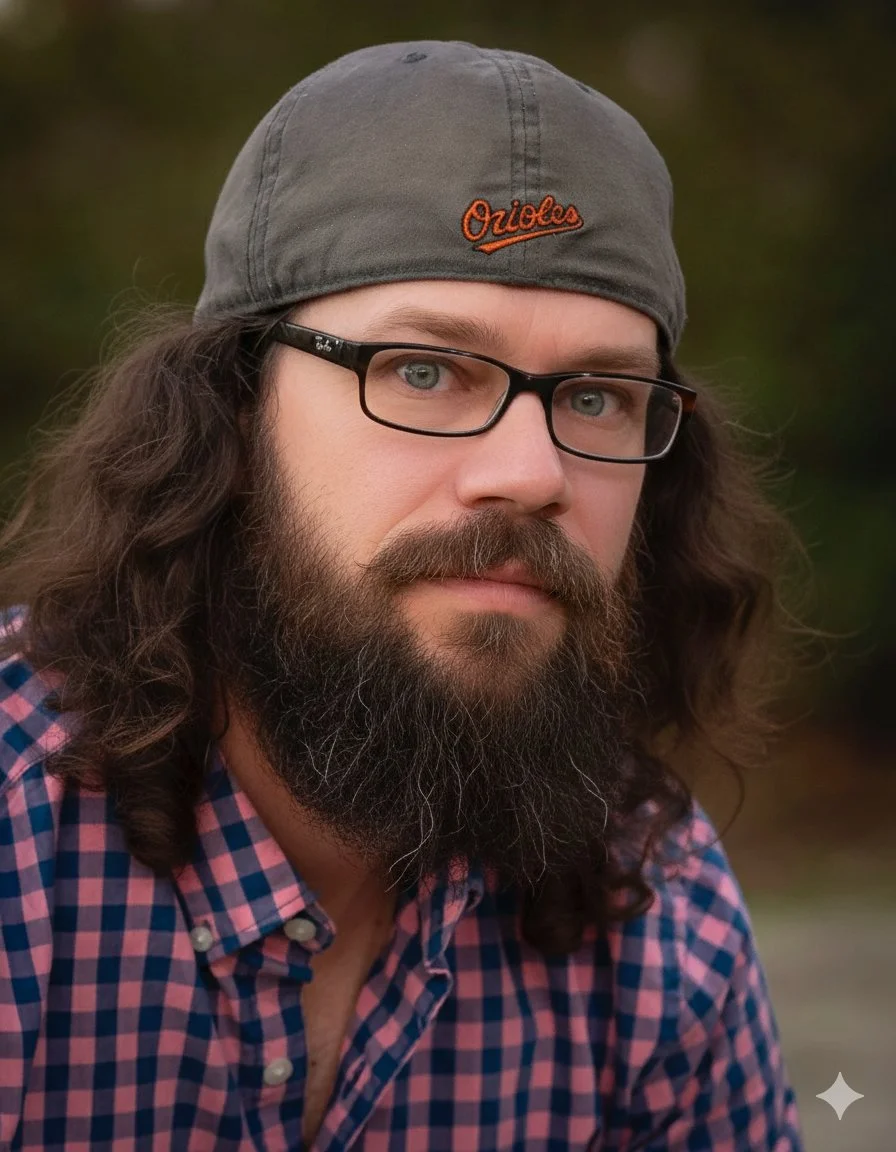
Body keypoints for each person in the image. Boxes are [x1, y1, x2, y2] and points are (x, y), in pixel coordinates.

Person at [0, 40, 803, 1151]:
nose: (532, 473)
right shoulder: (19, 851)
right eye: (424, 372)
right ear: (232, 416)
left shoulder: (654, 899)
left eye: (597, 396)